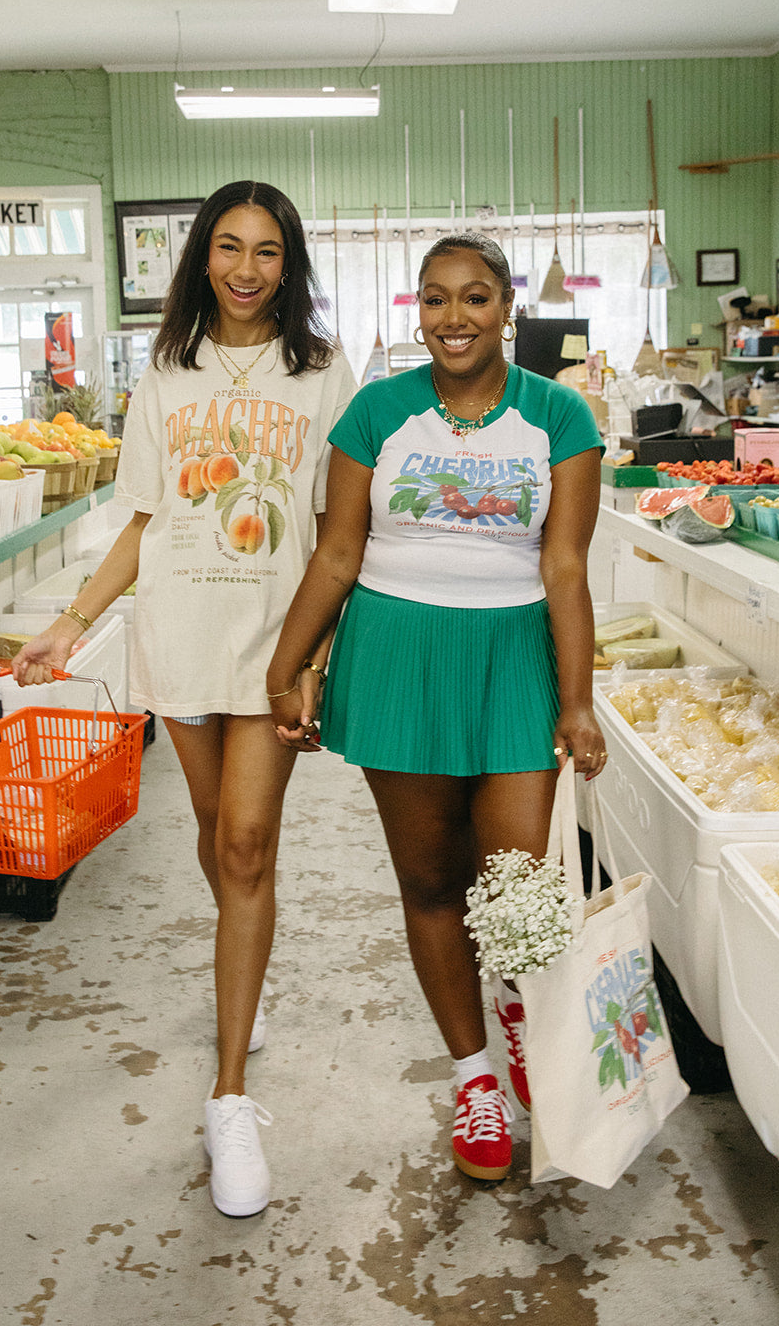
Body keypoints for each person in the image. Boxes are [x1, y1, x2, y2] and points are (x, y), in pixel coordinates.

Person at [10, 180, 355, 1218]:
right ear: (201, 257)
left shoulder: (323, 372)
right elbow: (142, 521)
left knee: (247, 845)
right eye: (227, 247)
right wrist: (74, 621)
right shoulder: (164, 372)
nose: (246, 267)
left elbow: (342, 529)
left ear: (289, 263)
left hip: (274, 644)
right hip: (180, 632)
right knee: (215, 839)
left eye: (266, 250)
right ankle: (237, 962)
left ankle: (229, 1097)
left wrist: (318, 654)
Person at [266, 230, 606, 1182]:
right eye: (434, 299)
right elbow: (336, 553)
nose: (453, 318)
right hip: (397, 656)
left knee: (517, 886)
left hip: (511, 657)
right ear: (417, 311)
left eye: (474, 298)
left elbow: (565, 565)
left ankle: (515, 1009)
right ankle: (474, 1079)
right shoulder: (375, 413)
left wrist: (575, 701)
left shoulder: (558, 417)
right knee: (427, 882)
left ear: (507, 309)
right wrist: (284, 670)